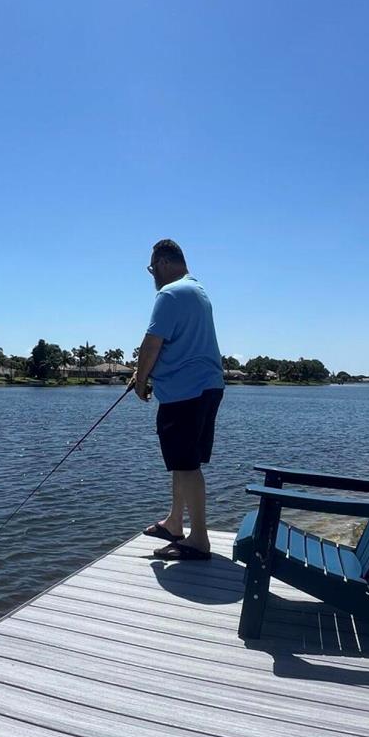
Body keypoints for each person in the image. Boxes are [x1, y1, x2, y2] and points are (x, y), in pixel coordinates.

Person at [131, 239, 225, 561]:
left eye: (152, 269)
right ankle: (175, 522)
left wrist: (140, 381)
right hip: (206, 388)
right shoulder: (197, 291)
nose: (153, 276)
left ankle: (198, 540)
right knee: (182, 462)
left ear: (163, 263)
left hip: (187, 393)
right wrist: (147, 374)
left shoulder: (170, 294)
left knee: (186, 465)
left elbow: (152, 344)